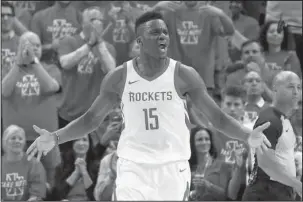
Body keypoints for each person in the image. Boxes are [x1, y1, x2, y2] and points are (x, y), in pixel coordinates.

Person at [27, 11, 271, 201]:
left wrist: (247, 135)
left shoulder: (184, 75)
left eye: (165, 32)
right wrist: (56, 137)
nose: (163, 36)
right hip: (133, 166)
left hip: (172, 166)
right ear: (140, 41)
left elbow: (217, 118)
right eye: (155, 32)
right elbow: (91, 120)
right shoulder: (119, 77)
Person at [242, 71, 302, 200]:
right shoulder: (269, 119)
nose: (296, 92)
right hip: (264, 193)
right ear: (275, 89)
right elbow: (266, 163)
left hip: (280, 192)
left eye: (299, 87)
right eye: (291, 87)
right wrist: (297, 185)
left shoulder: (285, 121)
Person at [1, 125, 46, 201]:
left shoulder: (34, 163)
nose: (17, 141)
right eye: (13, 138)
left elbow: (37, 193)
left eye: (20, 139)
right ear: (5, 142)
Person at [51, 135, 99, 201]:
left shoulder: (97, 167)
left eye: (84, 140)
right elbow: (57, 195)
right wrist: (76, 172)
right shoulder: (61, 167)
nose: (81, 143)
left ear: (89, 144)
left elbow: (96, 196)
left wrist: (84, 172)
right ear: (72, 144)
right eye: (77, 140)